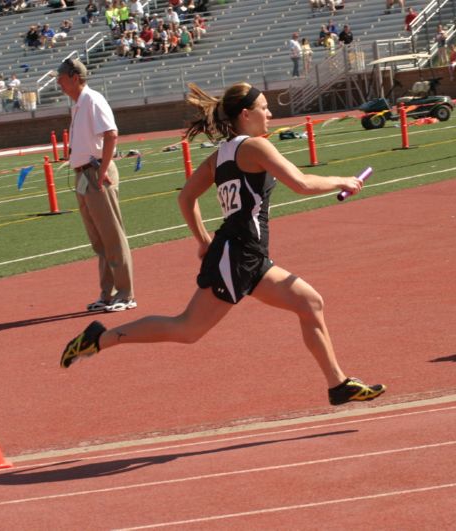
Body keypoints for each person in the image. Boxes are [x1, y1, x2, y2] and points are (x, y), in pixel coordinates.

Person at [59, 82, 387, 407]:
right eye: (264, 108)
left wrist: (204, 240)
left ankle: (338, 385)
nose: (270, 113)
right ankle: (99, 338)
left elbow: (186, 197)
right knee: (187, 329)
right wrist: (343, 181)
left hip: (247, 254)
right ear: (246, 114)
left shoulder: (221, 156)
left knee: (309, 303)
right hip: (238, 253)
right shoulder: (256, 147)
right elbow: (300, 183)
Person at [54, 58, 136, 313]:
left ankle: (125, 294)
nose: (58, 82)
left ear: (75, 77)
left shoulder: (92, 100)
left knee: (112, 236)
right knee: (99, 240)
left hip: (95, 173)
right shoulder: (79, 104)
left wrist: (101, 171)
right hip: (83, 175)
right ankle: (108, 293)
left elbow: (111, 134)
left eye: (61, 77)